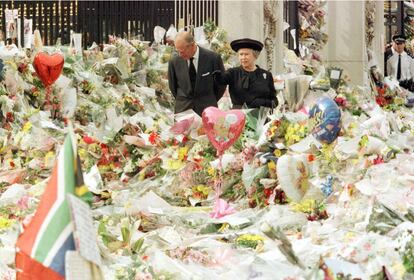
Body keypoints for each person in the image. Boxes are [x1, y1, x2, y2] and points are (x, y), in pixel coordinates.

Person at [167, 31, 226, 115]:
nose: (180, 54)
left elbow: (221, 85)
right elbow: (173, 86)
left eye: (182, 51)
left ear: (192, 45)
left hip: (207, 110)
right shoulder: (175, 61)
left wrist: (209, 99)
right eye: (178, 51)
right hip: (183, 110)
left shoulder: (213, 58)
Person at [213, 38, 277, 109]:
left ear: (255, 56)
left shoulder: (266, 75)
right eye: (241, 54)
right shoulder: (233, 73)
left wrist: (262, 102)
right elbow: (221, 80)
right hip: (239, 116)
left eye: (246, 54)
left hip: (261, 117)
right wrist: (217, 74)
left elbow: (274, 101)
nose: (243, 57)